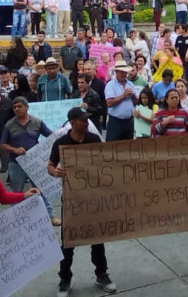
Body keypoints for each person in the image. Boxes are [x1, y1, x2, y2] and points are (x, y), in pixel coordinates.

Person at [48, 107, 117, 295]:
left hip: (93, 198)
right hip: (72, 200)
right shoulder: (61, 143)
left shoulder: (94, 140)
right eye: (82, 120)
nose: (87, 123)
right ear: (72, 122)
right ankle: (65, 279)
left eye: (87, 120)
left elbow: (106, 162)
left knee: (97, 238)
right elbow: (50, 165)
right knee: (68, 241)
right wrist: (55, 171)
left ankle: (102, 274)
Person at [0, 96, 59, 224]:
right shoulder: (9, 125)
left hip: (34, 163)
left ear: (26, 107)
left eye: (19, 106)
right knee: (16, 192)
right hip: (16, 163)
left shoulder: (37, 122)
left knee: (41, 189)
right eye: (14, 107)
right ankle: (16, 218)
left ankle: (50, 215)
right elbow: (2, 144)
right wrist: (15, 150)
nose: (17, 109)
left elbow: (51, 136)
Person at [104, 60, 137, 141]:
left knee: (128, 145)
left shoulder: (130, 84)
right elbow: (109, 103)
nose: (124, 74)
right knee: (112, 145)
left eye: (125, 72)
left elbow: (136, 102)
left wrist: (133, 96)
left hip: (128, 121)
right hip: (115, 121)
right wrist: (123, 95)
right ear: (116, 72)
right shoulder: (110, 85)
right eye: (122, 72)